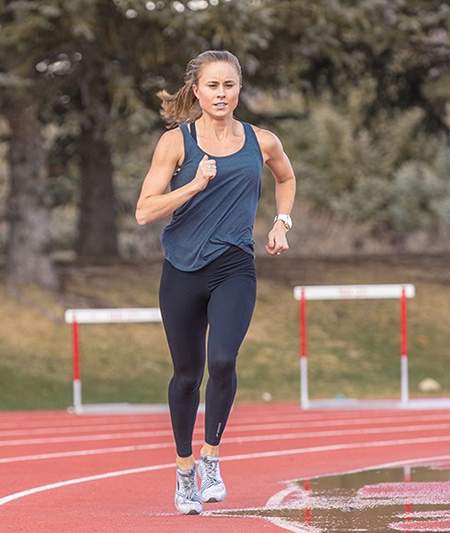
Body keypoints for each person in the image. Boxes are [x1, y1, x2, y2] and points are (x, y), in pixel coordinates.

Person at [135, 50, 296, 515]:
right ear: (197, 90)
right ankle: (184, 469)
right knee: (186, 376)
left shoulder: (261, 141)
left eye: (229, 85)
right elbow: (145, 210)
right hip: (182, 270)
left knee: (222, 361)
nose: (221, 94)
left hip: (234, 266)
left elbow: (286, 177)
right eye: (212, 86)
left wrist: (281, 221)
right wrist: (192, 186)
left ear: (239, 89)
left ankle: (211, 458)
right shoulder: (176, 143)